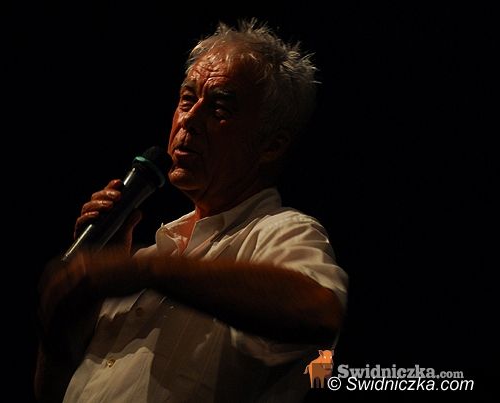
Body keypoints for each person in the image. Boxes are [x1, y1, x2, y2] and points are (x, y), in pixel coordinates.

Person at [35, 19, 348, 402]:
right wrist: (62, 320)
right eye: (187, 99)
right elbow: (51, 392)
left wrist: (145, 271)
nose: (189, 118)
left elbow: (319, 313)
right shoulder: (146, 256)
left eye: (219, 107)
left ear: (271, 144)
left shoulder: (282, 231)